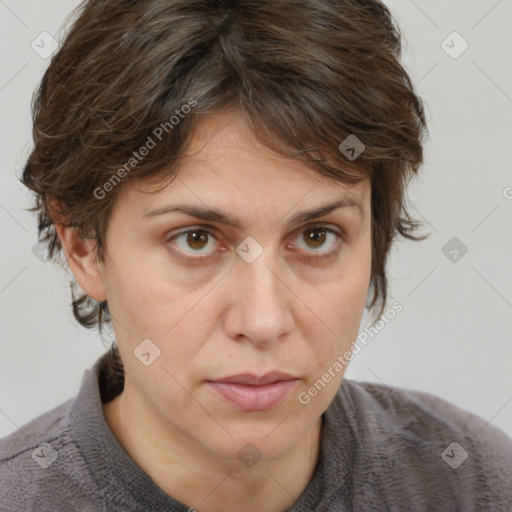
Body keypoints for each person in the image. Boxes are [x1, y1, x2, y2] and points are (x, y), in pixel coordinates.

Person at [1, 0, 511, 510]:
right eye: (196, 239)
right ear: (84, 246)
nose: (264, 321)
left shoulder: (475, 484)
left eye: (317, 236)